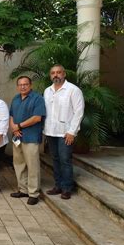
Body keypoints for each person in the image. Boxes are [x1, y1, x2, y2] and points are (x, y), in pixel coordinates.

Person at [44, 65, 84, 200]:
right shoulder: (47, 91)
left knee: (65, 160)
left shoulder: (73, 90)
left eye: (58, 72)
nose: (56, 75)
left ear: (64, 74)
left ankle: (67, 188)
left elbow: (79, 112)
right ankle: (58, 186)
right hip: (50, 132)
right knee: (55, 159)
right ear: (50, 75)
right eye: (53, 73)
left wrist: (72, 132)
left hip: (65, 133)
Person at [9, 76, 46, 205]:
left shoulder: (37, 99)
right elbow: (11, 115)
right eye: (20, 84)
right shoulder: (16, 99)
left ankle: (33, 193)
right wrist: (13, 128)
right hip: (17, 137)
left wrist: (19, 126)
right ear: (17, 86)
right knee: (19, 164)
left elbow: (37, 118)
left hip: (31, 137)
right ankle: (23, 189)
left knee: (32, 166)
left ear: (30, 85)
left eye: (25, 84)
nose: (23, 86)